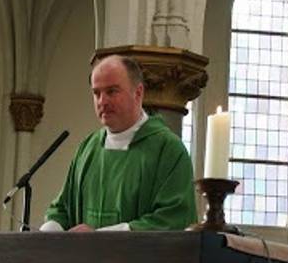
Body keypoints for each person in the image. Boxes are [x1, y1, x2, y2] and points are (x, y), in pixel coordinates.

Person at [41, 54, 197, 232]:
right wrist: (50, 233)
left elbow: (173, 219)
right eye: (96, 93)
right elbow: (62, 209)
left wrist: (99, 238)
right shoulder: (88, 147)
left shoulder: (168, 149)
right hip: (82, 260)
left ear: (138, 93)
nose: (102, 101)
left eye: (112, 91)